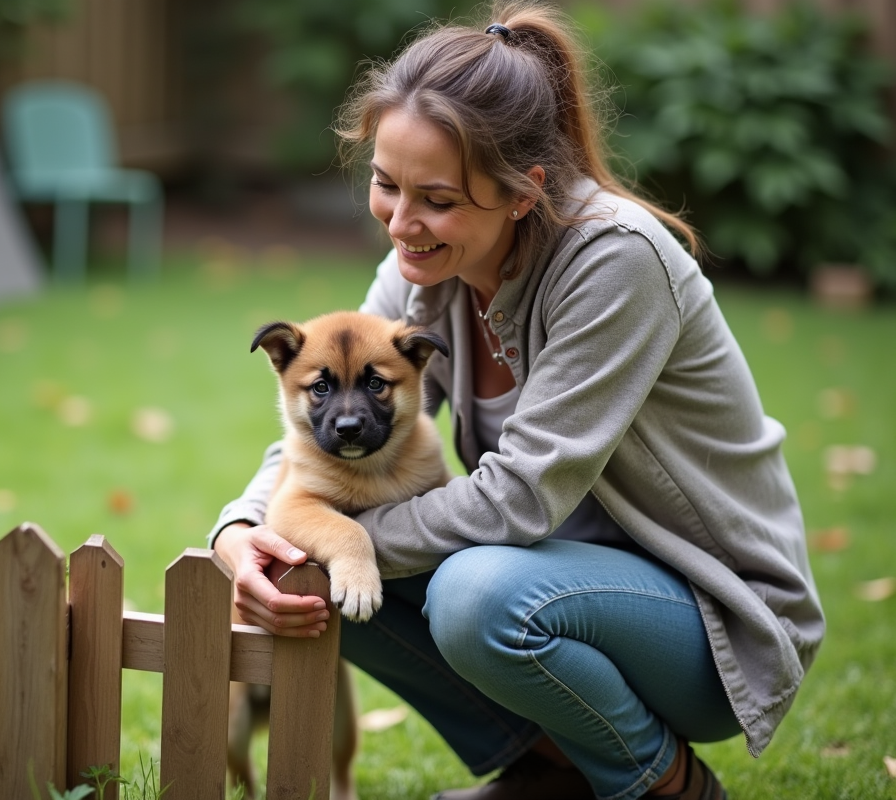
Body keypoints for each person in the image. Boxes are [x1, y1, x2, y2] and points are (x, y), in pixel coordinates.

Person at [209, 2, 825, 798]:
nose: (402, 223)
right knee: (320, 566)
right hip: (554, 583)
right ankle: (555, 767)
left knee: (467, 592)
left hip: (708, 613)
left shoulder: (616, 261)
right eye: (385, 185)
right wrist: (251, 527)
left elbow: (521, 499)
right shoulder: (421, 266)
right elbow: (319, 442)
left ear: (524, 192)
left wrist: (341, 544)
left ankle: (663, 783)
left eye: (436, 197)